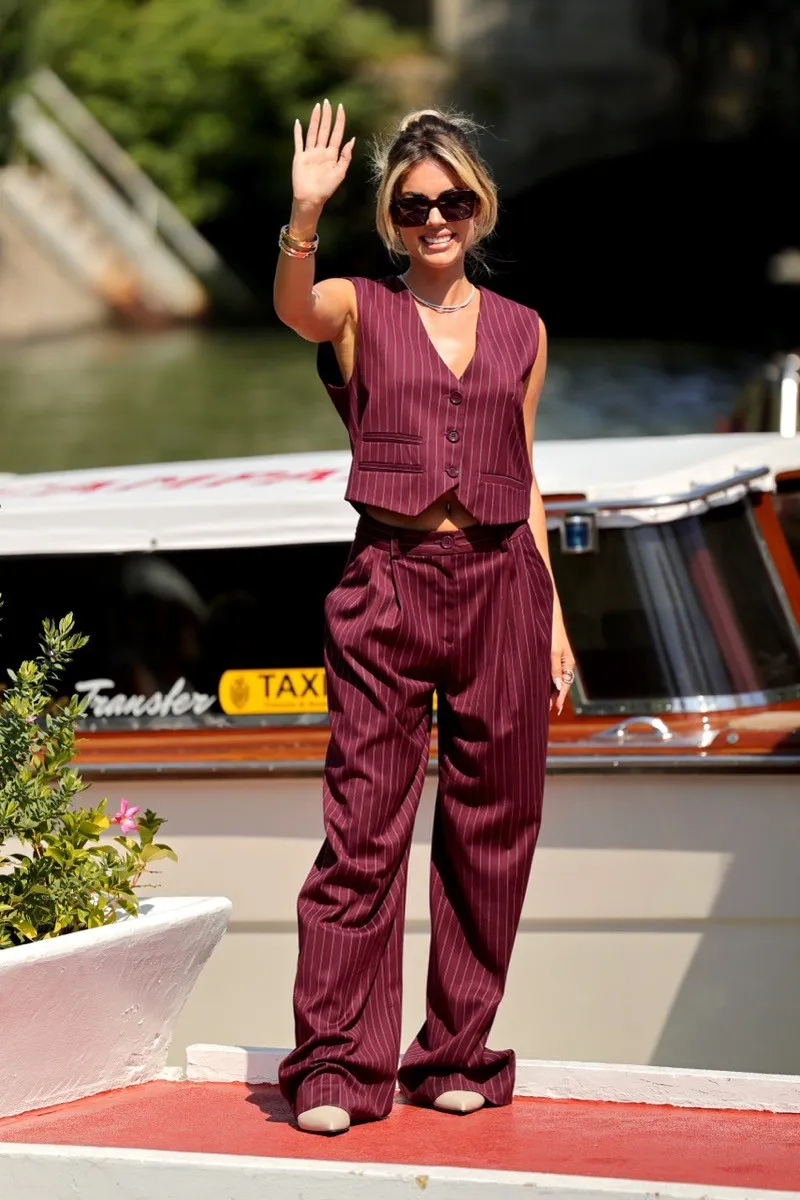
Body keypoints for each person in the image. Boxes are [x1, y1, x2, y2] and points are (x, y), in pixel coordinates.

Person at [274, 100, 575, 1134]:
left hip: (500, 580)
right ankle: (334, 1069)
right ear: (392, 219)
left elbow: (524, 472)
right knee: (363, 829)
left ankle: (454, 1053)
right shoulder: (355, 306)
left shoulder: (524, 331)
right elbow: (292, 310)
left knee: (491, 832)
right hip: (388, 580)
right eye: (413, 206)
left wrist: (555, 622)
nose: (433, 219)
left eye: (451, 201)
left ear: (479, 209)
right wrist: (302, 217)